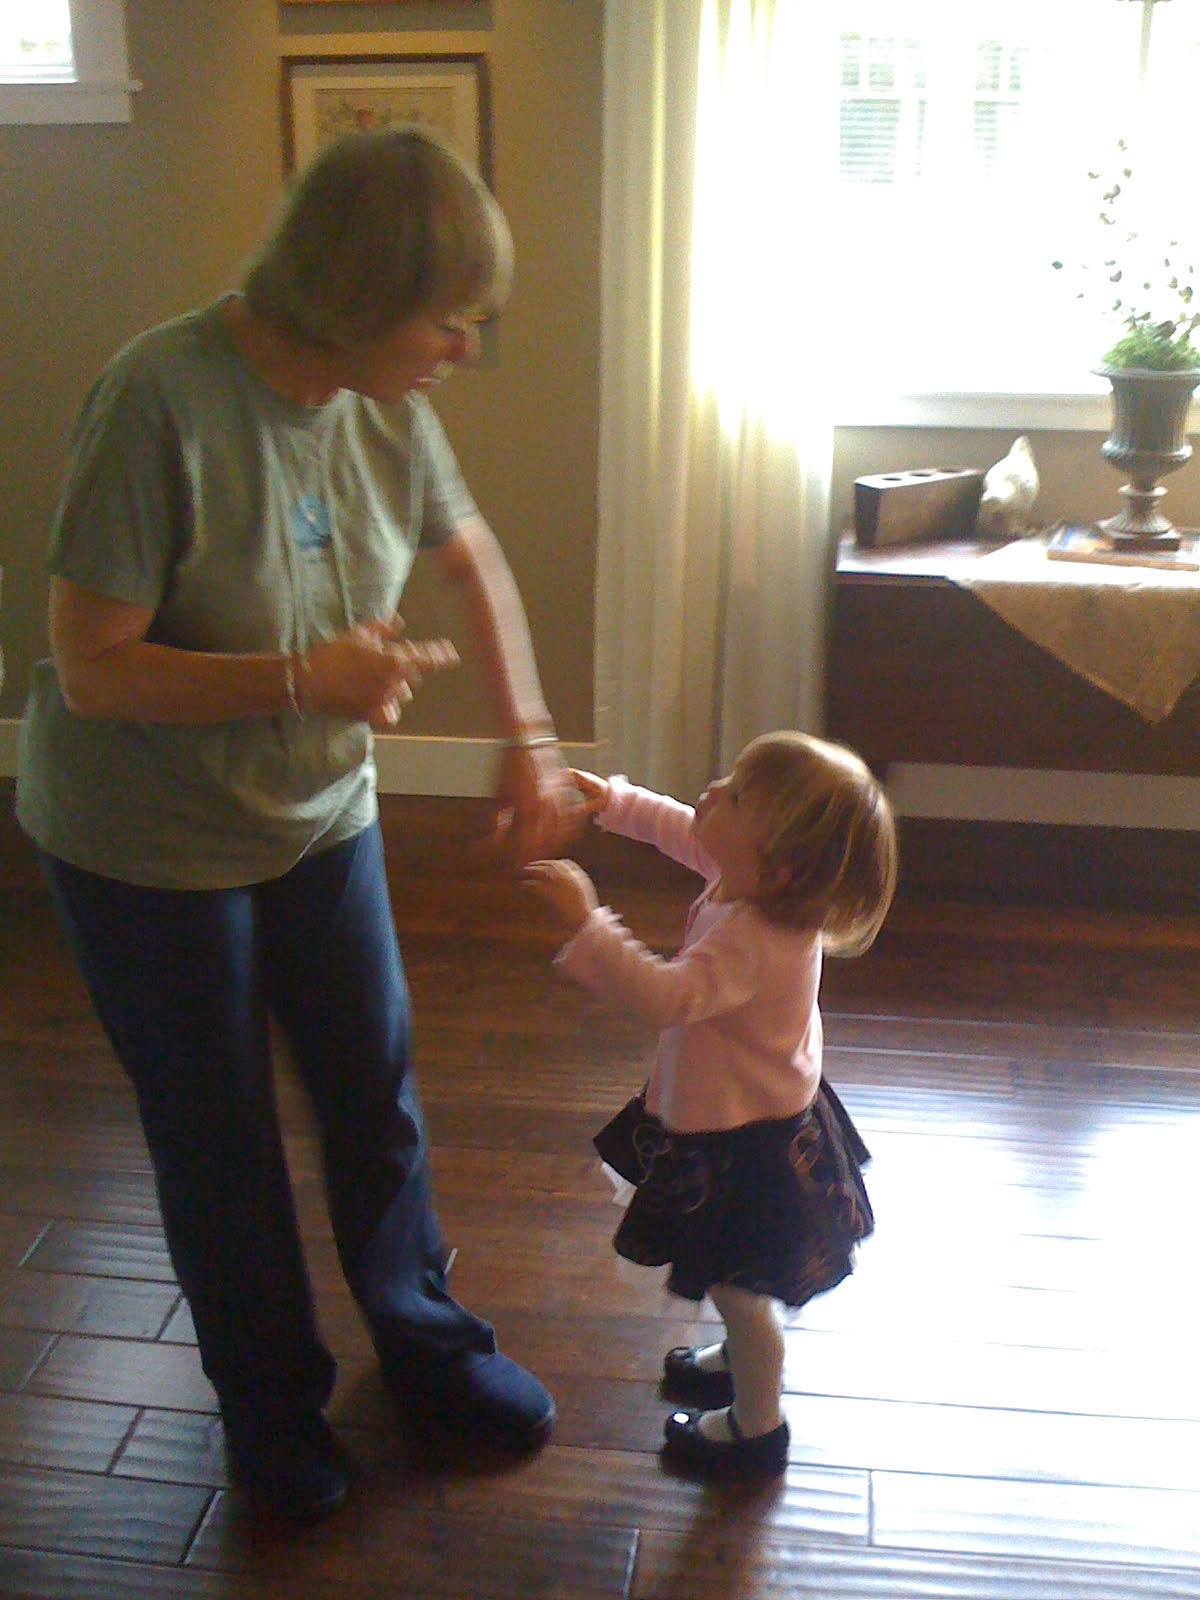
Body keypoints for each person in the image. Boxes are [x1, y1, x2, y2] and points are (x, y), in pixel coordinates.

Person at [14, 125, 582, 1522]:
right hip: (143, 842)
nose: (463, 347)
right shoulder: (156, 400)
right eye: (445, 317)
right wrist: (299, 679)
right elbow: (93, 668)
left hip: (318, 810)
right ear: (358, 294)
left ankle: (428, 1347)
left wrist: (529, 737)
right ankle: (269, 1406)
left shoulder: (383, 404)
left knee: (371, 1091)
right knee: (217, 1135)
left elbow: (474, 559)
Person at [524, 732, 898, 1478]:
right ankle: (739, 1357)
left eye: (736, 796)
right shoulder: (756, 883)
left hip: (743, 1147)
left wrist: (588, 924)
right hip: (749, 1115)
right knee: (738, 1284)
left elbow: (665, 997)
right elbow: (685, 831)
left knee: (740, 1289)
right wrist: (617, 804)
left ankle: (757, 1428)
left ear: (779, 865)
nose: (712, 791)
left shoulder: (756, 939)